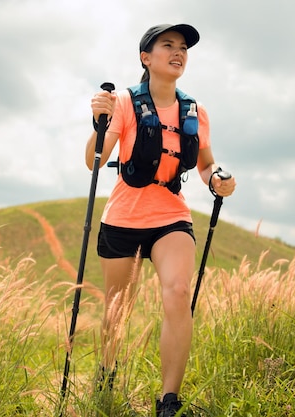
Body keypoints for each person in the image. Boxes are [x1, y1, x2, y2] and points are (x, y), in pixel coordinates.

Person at [85, 23, 236, 416]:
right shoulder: (123, 102)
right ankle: (106, 373)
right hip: (122, 218)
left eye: (183, 47)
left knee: (178, 293)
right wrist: (97, 124)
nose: (178, 52)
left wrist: (218, 177)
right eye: (167, 45)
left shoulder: (195, 111)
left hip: (171, 217)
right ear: (145, 58)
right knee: (117, 309)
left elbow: (205, 165)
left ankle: (169, 400)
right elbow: (94, 161)